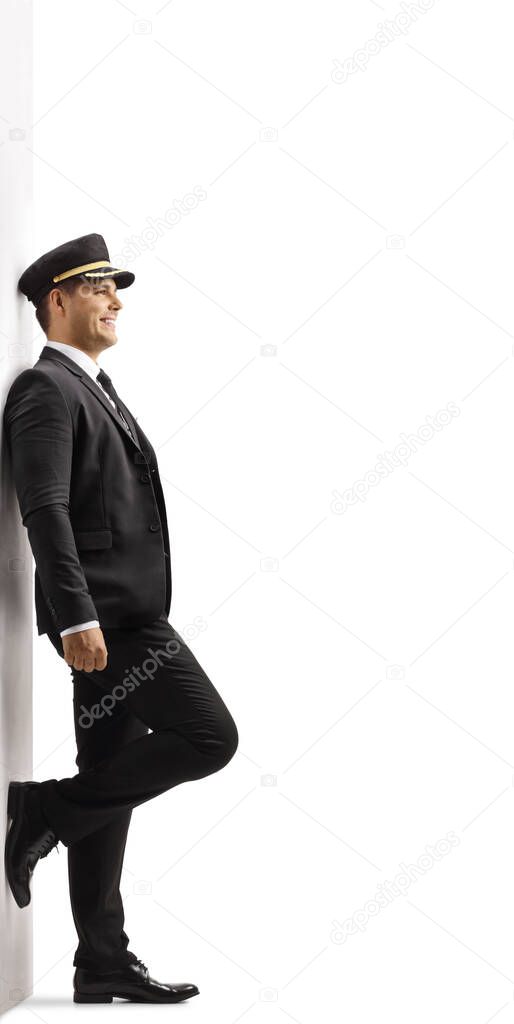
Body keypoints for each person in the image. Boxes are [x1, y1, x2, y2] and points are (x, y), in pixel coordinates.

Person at [3, 233, 239, 1005]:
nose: (115, 299)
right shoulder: (45, 390)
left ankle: (102, 958)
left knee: (112, 777)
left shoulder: (95, 386)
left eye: (115, 286)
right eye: (98, 285)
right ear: (56, 301)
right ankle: (44, 809)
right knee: (209, 737)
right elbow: (45, 507)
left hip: (119, 615)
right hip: (111, 619)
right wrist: (75, 614)